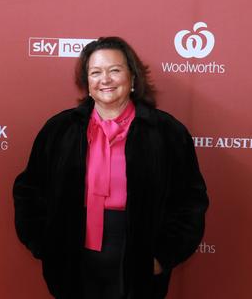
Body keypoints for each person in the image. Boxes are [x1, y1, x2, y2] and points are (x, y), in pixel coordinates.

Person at [13, 37, 208, 298]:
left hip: (137, 258)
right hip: (73, 256)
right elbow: (28, 191)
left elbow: (190, 201)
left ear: (133, 78)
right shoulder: (60, 130)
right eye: (95, 72)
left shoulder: (166, 133)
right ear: (87, 83)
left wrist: (163, 255)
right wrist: (46, 246)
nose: (105, 79)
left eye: (114, 70)